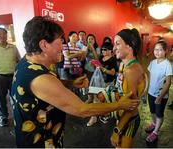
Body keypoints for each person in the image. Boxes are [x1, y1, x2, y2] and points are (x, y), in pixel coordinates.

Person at [10, 16, 139, 148]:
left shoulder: (27, 62)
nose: (63, 45)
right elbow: (82, 109)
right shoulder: (40, 79)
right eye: (60, 40)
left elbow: (49, 86)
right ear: (44, 45)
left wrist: (70, 83)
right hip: (40, 142)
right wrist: (120, 104)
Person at [110, 28, 147, 148]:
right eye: (113, 44)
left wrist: (117, 130)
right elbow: (121, 87)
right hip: (121, 116)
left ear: (129, 46)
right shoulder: (123, 65)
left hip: (129, 119)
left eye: (117, 43)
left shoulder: (132, 70)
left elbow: (132, 106)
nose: (113, 48)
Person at [145, 40, 172, 143]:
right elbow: (149, 77)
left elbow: (168, 83)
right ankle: (154, 123)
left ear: (165, 51)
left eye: (160, 50)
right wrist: (146, 90)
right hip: (151, 93)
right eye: (156, 49)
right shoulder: (152, 62)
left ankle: (155, 132)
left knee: (159, 113)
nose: (157, 52)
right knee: (152, 111)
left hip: (161, 95)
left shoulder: (167, 65)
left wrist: (160, 96)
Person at [0, 27, 20, 127]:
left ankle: (17, 116)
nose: (2, 36)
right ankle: (3, 117)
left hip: (13, 76)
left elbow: (19, 60)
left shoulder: (13, 47)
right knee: (0, 99)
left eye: (4, 34)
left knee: (15, 97)